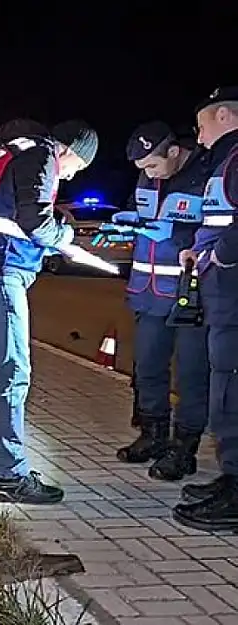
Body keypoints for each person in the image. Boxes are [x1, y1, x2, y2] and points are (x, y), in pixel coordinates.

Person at [0, 120, 98, 504]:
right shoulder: (41, 154)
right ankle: (10, 475)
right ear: (69, 150)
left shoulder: (10, 150)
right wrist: (64, 240)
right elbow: (35, 221)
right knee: (13, 371)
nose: (72, 174)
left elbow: (7, 213)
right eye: (76, 167)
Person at [107, 122, 211, 481]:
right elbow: (144, 214)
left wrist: (178, 233)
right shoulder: (147, 178)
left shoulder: (205, 173)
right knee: (148, 367)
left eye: (152, 166)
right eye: (142, 170)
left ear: (173, 152)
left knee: (191, 374)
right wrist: (130, 221)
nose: (148, 174)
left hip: (188, 294)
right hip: (148, 292)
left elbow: (217, 227)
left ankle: (184, 449)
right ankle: (153, 435)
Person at [173, 86, 238, 532]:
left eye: (201, 123)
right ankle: (231, 477)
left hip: (233, 288)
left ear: (223, 114)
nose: (198, 135)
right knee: (224, 384)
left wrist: (222, 255)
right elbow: (217, 219)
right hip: (221, 292)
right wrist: (199, 250)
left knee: (232, 386)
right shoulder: (224, 161)